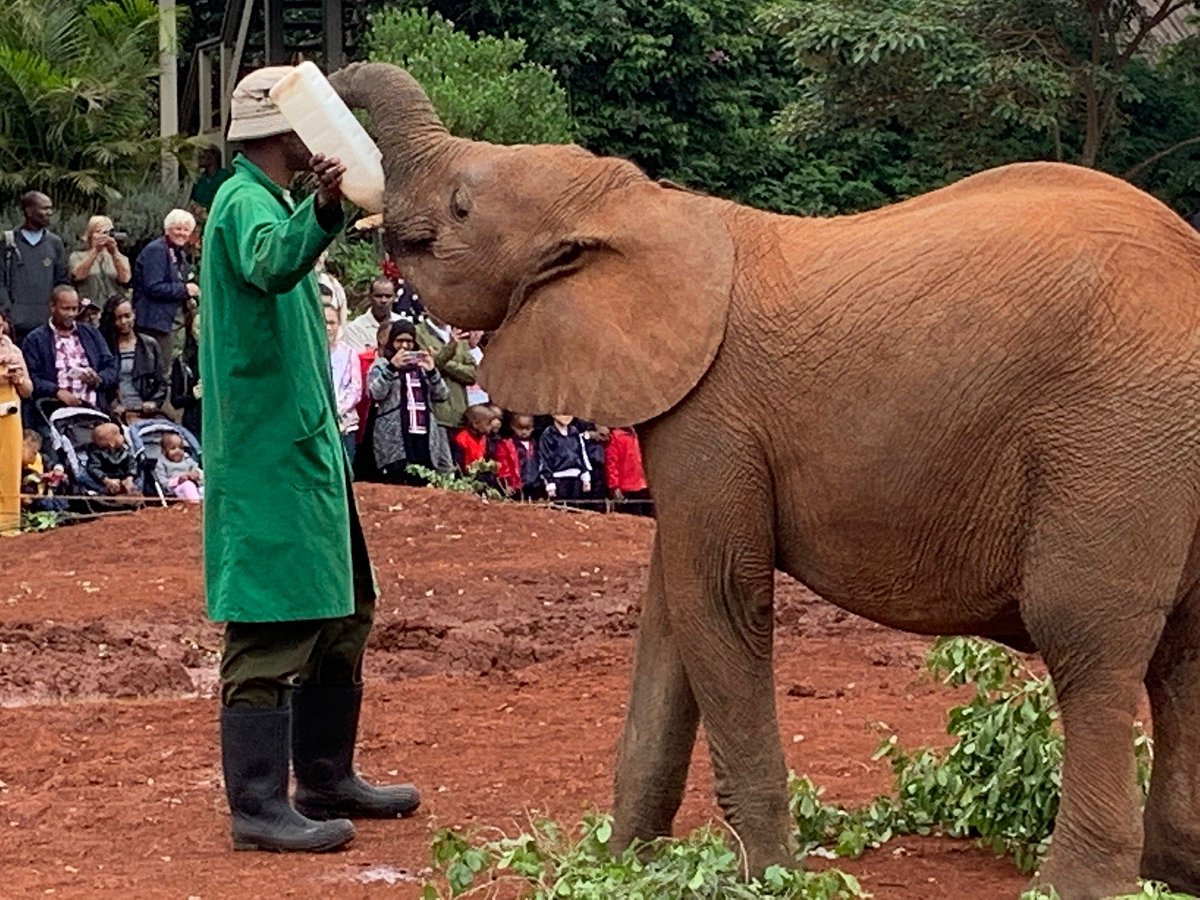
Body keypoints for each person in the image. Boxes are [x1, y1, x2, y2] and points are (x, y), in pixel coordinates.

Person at [200, 65, 420, 857]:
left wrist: (317, 210)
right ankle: (257, 805)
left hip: (303, 450)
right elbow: (268, 263)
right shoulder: (242, 205)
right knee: (270, 621)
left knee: (343, 609)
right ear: (282, 132)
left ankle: (326, 776)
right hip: (269, 456)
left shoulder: (270, 202)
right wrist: (325, 209)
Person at [366, 318, 454, 483]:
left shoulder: (422, 367)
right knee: (397, 481)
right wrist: (392, 368)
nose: (404, 346)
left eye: (409, 341)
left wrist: (432, 371)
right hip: (395, 437)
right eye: (399, 341)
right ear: (391, 341)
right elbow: (375, 393)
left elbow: (442, 395)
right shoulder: (381, 365)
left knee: (423, 482)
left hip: (424, 434)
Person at [21, 285, 117, 415]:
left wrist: (98, 379)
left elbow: (111, 367)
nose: (71, 314)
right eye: (66, 309)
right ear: (52, 307)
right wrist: (56, 391)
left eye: (74, 309)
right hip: (54, 410)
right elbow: (33, 377)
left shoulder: (91, 333)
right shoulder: (35, 339)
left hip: (94, 408)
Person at [132, 209, 200, 373]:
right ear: (167, 229)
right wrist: (184, 289)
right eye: (177, 228)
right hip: (154, 321)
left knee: (169, 368)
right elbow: (153, 286)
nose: (182, 233)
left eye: (186, 230)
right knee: (158, 371)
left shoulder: (180, 254)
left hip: (173, 322)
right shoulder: (156, 250)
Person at [1, 191, 71, 344]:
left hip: (46, 326)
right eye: (44, 208)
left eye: (50, 208)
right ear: (29, 211)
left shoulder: (55, 243)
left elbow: (62, 282)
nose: (49, 213)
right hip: (15, 326)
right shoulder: (8, 243)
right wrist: (6, 314)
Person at [99, 296, 167, 423]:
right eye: (118, 318)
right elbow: (102, 384)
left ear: (134, 314)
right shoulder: (105, 346)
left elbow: (161, 381)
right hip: (117, 413)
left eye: (127, 316)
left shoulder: (149, 344)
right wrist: (111, 405)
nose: (124, 322)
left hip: (145, 411)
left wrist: (154, 402)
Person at [0, 315, 34, 534]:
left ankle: (8, 522)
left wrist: (19, 378)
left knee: (9, 465)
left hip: (10, 412)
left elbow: (28, 391)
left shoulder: (14, 351)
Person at [415, 313, 477, 430]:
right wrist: (450, 348)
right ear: (427, 308)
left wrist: (444, 361)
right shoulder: (418, 332)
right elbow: (429, 368)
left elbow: (473, 375)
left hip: (461, 414)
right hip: (436, 417)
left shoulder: (458, 334)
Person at [325, 302, 363, 464]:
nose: (328, 328)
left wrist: (336, 410)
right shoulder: (310, 355)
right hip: (318, 424)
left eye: (332, 323)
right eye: (324, 322)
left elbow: (355, 390)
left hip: (344, 425)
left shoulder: (349, 353)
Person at [69, 215, 132, 306]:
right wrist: (95, 251)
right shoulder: (77, 256)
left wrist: (115, 253)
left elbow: (125, 279)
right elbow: (77, 276)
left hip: (114, 310)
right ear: (90, 234)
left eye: (109, 232)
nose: (104, 236)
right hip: (89, 308)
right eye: (99, 232)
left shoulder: (120, 258)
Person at [538, 414, 592, 504]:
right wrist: (550, 483)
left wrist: (585, 476)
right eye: (562, 413)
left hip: (576, 479)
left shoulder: (574, 432)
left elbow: (581, 454)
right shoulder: (548, 434)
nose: (566, 417)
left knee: (575, 510)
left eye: (569, 413)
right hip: (558, 480)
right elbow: (545, 459)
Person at [341, 276, 399, 350]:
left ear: (394, 298)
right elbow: (357, 359)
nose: (383, 300)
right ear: (370, 297)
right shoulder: (355, 329)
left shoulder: (403, 323)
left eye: (388, 296)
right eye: (378, 296)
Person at [605, 425, 652, 516]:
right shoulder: (616, 437)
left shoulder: (637, 435)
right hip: (627, 486)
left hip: (642, 484)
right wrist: (614, 486)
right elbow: (612, 464)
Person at [83, 421, 140, 497]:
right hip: (105, 479)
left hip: (124, 476)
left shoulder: (124, 450)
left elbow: (132, 463)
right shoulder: (96, 454)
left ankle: (130, 487)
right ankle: (105, 492)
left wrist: (130, 476)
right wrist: (106, 480)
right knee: (83, 477)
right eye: (119, 434)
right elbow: (94, 468)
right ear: (111, 443)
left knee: (140, 473)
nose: (122, 436)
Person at [170, 309, 202, 440]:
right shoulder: (182, 361)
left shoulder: (223, 360)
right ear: (192, 330)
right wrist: (193, 395)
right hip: (193, 421)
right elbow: (175, 401)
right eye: (199, 328)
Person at [154, 431, 203, 502]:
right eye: (173, 448)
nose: (178, 451)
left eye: (181, 448)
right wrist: (178, 480)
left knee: (205, 489)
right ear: (164, 451)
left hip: (194, 486)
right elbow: (163, 482)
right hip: (176, 488)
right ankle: (196, 505)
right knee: (188, 485)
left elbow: (195, 467)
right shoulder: (162, 463)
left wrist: (195, 473)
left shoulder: (186, 458)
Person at [507, 413, 544, 501]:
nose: (524, 432)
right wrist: (508, 483)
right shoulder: (508, 445)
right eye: (520, 428)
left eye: (528, 428)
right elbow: (505, 466)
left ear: (533, 427)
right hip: (517, 487)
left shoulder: (536, 445)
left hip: (536, 485)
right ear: (512, 426)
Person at [189, 145, 234, 212]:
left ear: (213, 157)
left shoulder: (226, 177)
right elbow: (193, 199)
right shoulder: (199, 179)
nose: (199, 157)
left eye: (203, 155)